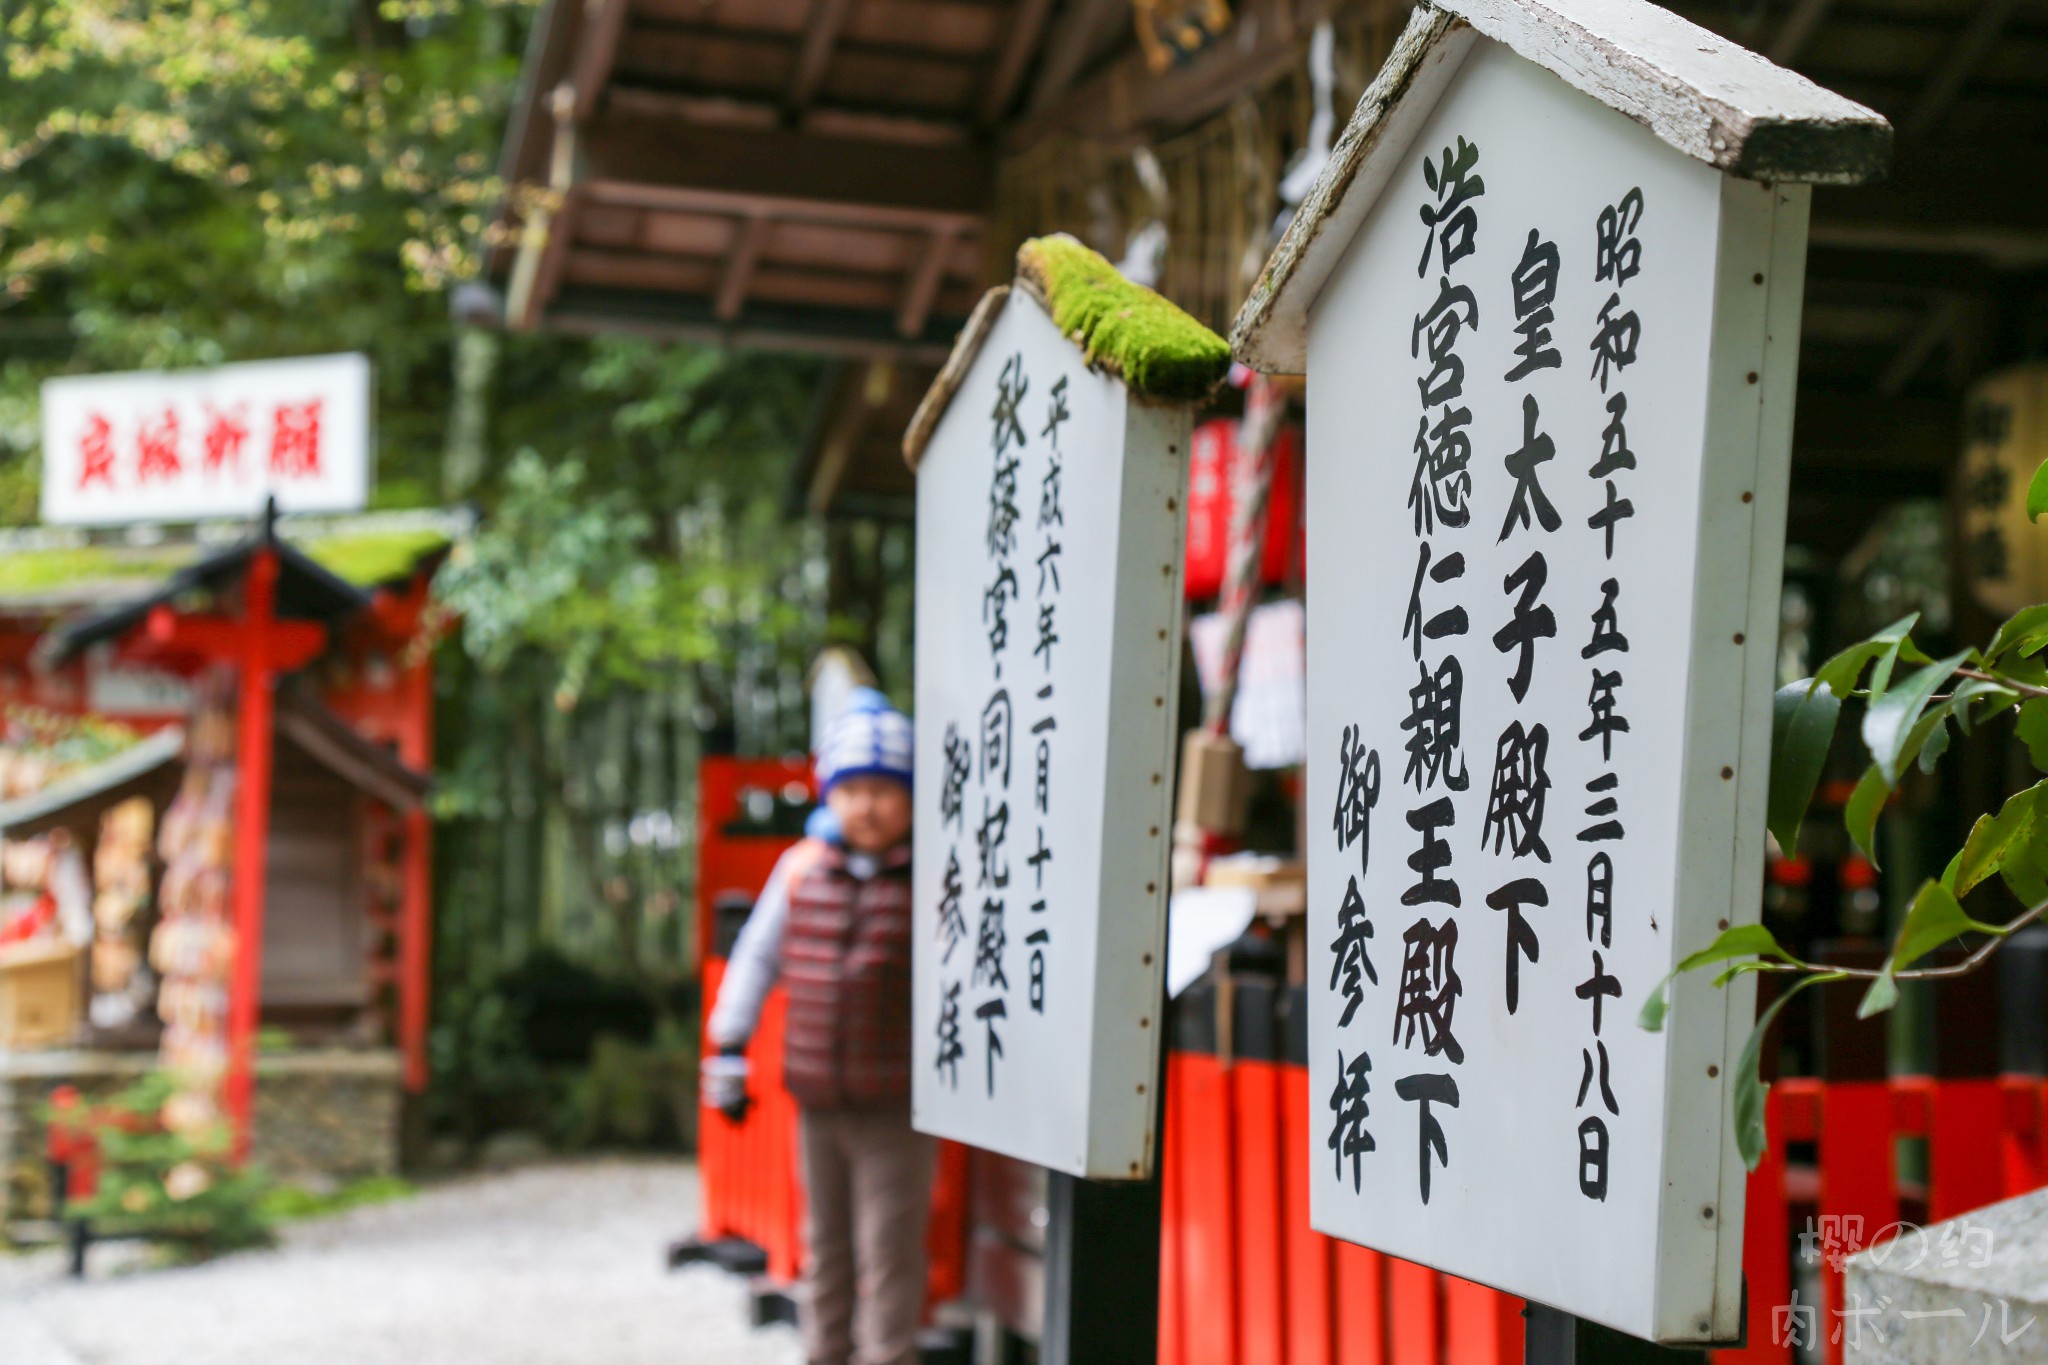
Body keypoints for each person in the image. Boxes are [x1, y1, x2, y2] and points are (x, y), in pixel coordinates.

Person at [703, 691, 930, 1365]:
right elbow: (756, 956)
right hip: (818, 1098)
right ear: (828, 793)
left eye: (885, 790)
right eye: (851, 788)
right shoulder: (802, 869)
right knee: (823, 1246)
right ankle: (823, 1354)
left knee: (890, 1251)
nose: (866, 806)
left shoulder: (933, 876)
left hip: (898, 1102)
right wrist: (730, 1048)